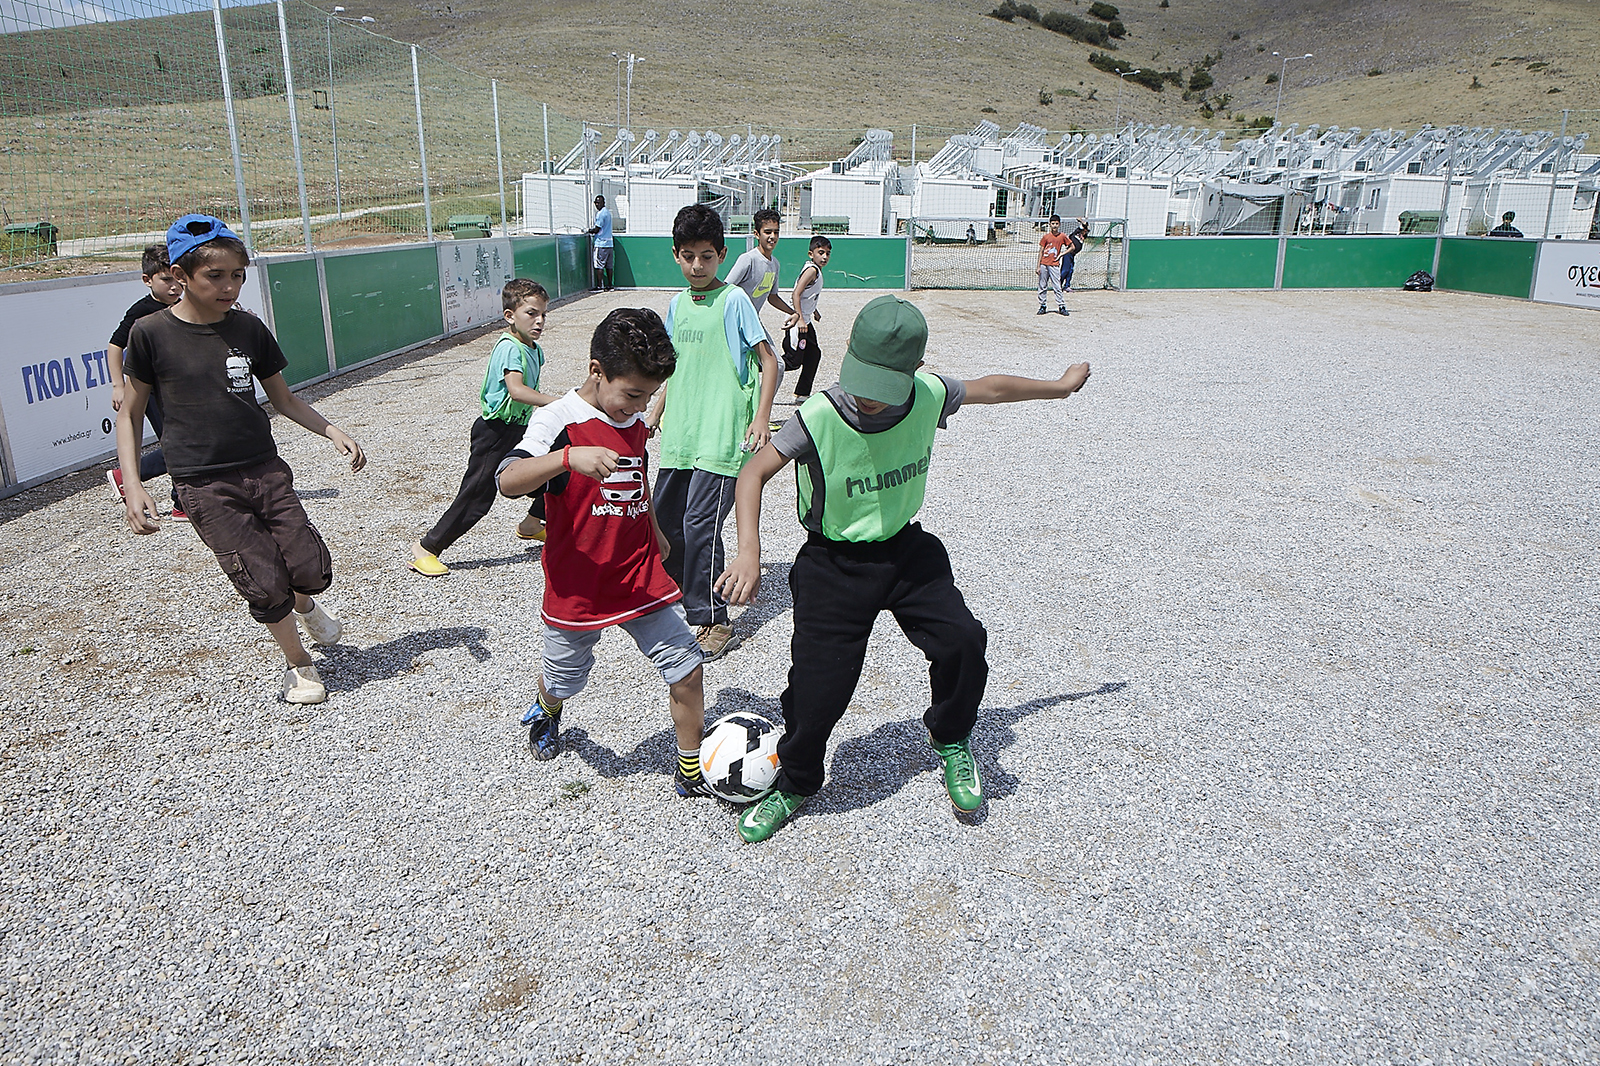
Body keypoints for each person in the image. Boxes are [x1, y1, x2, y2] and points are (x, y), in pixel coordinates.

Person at [714, 294, 1092, 843]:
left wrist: (1056, 387)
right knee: (819, 686)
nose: (867, 399)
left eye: (883, 386)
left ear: (913, 371)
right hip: (833, 563)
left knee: (963, 640)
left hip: (905, 549)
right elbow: (752, 475)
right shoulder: (818, 417)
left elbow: (990, 388)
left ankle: (951, 736)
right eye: (861, 381)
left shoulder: (928, 395)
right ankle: (796, 779)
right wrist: (748, 548)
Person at [116, 215, 366, 705]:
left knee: (310, 569)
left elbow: (284, 399)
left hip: (265, 468)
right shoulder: (148, 334)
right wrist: (134, 484)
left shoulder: (249, 328)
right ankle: (299, 665)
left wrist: (331, 430)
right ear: (180, 275)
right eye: (216, 276)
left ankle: (306, 603)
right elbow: (130, 414)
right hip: (203, 483)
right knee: (262, 581)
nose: (229, 286)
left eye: (237, 275)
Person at [495, 308, 712, 797]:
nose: (639, 405)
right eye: (633, 393)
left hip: (636, 571)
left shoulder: (631, 417)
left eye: (649, 396)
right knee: (566, 676)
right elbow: (507, 480)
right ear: (597, 371)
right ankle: (548, 705)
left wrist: (654, 529)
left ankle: (691, 767)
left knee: (687, 665)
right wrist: (568, 457)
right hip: (580, 580)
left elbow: (636, 475)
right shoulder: (558, 419)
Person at [644, 204, 779, 661]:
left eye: (706, 256)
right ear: (676, 256)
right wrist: (657, 410)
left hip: (721, 439)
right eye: (688, 256)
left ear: (721, 254)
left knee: (700, 526)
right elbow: (670, 367)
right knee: (666, 524)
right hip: (681, 437)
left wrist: (761, 417)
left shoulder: (734, 301)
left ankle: (713, 618)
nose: (697, 266)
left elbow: (769, 361)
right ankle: (684, 598)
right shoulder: (677, 304)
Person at [409, 279, 558, 576]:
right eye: (531, 313)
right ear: (509, 316)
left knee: (553, 469)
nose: (539, 320)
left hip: (520, 427)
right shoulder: (510, 348)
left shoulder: (533, 348)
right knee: (477, 497)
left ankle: (531, 524)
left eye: (543, 313)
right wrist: (558, 403)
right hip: (495, 433)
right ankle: (426, 548)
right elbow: (516, 390)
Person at [105, 243, 185, 517]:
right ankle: (181, 503)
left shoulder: (184, 305)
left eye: (178, 278)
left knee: (183, 440)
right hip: (147, 390)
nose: (174, 286)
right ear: (147, 280)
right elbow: (115, 345)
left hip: (175, 386)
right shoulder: (142, 311)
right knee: (176, 442)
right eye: (166, 280)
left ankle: (125, 475)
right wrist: (118, 385)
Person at [724, 207, 799, 427]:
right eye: (767, 232)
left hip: (754, 323)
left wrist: (792, 312)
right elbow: (726, 290)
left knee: (777, 365)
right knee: (735, 371)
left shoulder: (774, 264)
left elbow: (772, 296)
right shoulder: (747, 260)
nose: (772, 237)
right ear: (757, 234)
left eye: (776, 232)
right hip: (735, 325)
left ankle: (759, 416)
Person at [781, 235, 832, 402]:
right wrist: (800, 319)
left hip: (806, 320)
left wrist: (814, 311)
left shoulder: (815, 270)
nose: (825, 257)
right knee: (793, 361)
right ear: (811, 254)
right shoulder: (812, 270)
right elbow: (796, 293)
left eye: (828, 253)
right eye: (821, 252)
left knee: (814, 354)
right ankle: (760, 366)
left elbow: (807, 296)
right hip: (798, 322)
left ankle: (802, 393)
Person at [1036, 214, 1083, 316]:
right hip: (1044, 263)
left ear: (1059, 224)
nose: (1054, 226)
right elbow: (1041, 251)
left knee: (1057, 286)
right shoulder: (1046, 237)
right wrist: (1038, 266)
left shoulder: (1062, 236)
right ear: (1049, 224)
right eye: (1053, 224)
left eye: (1056, 224)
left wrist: (1061, 254)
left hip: (1054, 264)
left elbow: (1072, 247)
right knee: (1042, 285)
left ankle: (1061, 306)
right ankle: (1042, 305)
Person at [589, 195, 615, 290]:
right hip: (609, 244)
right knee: (609, 266)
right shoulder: (608, 213)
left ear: (603, 203)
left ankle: (599, 286)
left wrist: (589, 231)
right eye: (595, 202)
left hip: (601, 243)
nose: (597, 204)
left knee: (599, 265)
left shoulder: (600, 214)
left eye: (598, 202)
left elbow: (597, 229)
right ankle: (609, 285)